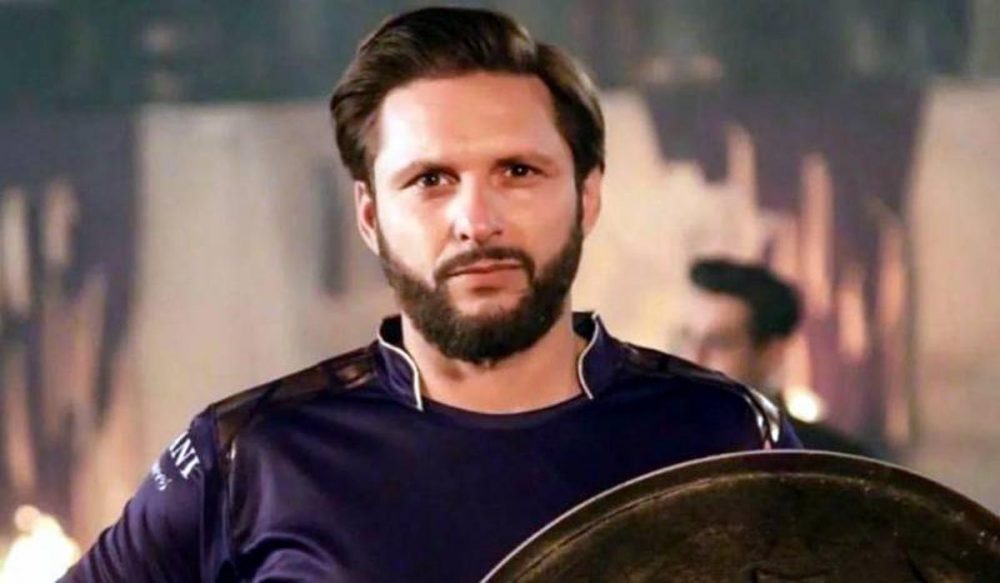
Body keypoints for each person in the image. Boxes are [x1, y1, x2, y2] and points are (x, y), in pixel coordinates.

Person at [64, 8, 799, 582]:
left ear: (587, 195)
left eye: (518, 171)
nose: (476, 221)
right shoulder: (250, 454)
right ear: (370, 215)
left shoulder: (725, 432)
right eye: (430, 180)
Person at [681, 257, 874, 457]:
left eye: (719, 343)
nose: (693, 357)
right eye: (686, 338)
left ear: (771, 354)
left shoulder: (828, 461)